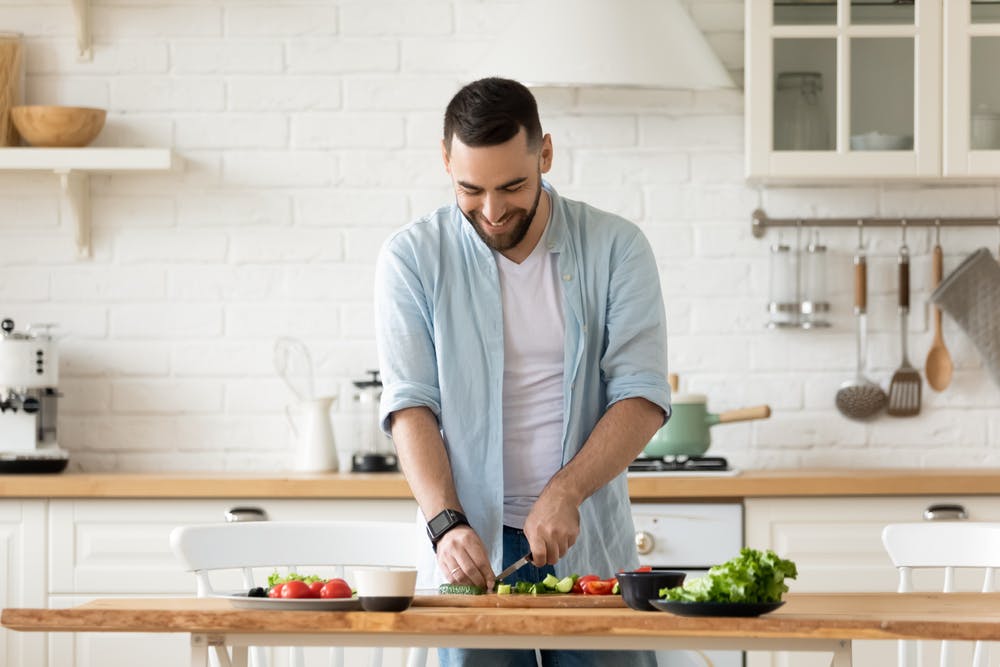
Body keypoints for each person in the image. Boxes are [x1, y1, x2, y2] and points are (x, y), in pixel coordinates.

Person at [374, 77, 670, 667]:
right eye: (470, 189)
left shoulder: (617, 247)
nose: (492, 211)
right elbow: (410, 405)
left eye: (512, 186)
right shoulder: (411, 258)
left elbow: (641, 394)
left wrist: (565, 492)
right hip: (469, 543)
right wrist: (446, 523)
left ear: (546, 155)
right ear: (445, 161)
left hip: (584, 530)